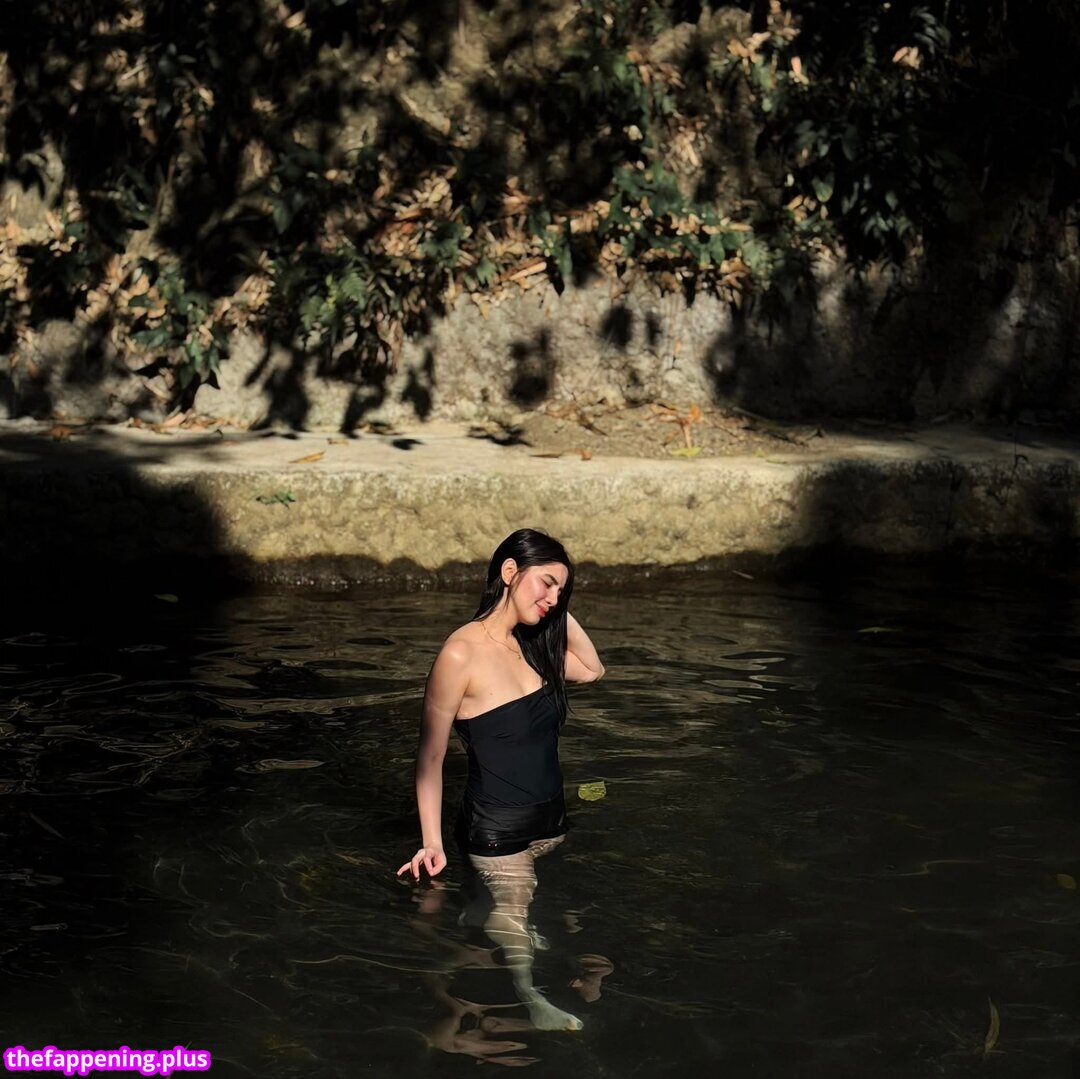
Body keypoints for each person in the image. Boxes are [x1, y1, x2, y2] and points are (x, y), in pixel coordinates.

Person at [397, 528, 605, 1031]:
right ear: (510, 572)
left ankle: (477, 920)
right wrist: (431, 842)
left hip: (549, 823)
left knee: (535, 915)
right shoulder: (459, 655)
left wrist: (553, 603)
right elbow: (430, 758)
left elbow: (592, 669)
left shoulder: (532, 645)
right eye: (546, 583)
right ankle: (532, 999)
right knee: (513, 911)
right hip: (497, 830)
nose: (553, 598)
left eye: (561, 590)